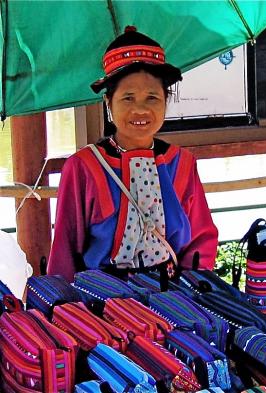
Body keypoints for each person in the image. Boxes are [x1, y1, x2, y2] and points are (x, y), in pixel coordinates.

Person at [47, 26, 218, 284]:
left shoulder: (181, 163)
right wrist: (65, 306)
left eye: (152, 97)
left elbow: (200, 243)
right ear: (108, 103)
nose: (140, 110)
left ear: (165, 101)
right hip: (103, 303)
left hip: (173, 298)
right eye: (128, 98)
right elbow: (64, 247)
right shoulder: (83, 167)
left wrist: (195, 292)